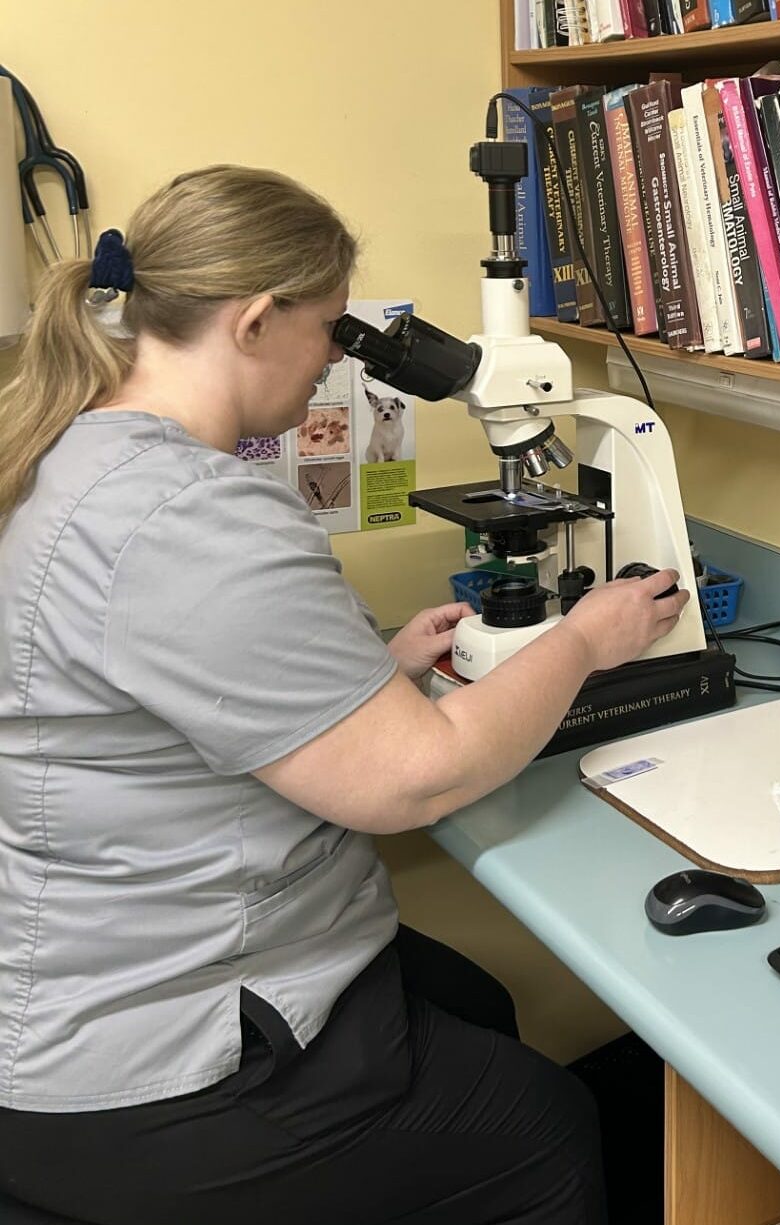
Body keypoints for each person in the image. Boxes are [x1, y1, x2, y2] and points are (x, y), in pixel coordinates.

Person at [0, 165, 688, 1225]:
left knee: (476, 1002)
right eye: (332, 331)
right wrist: (590, 641)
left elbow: (168, 691)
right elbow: (423, 779)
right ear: (259, 321)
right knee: (549, 1121)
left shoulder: (71, 451)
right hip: (150, 1060)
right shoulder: (190, 512)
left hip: (94, 966)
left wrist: (372, 672)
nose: (334, 362)